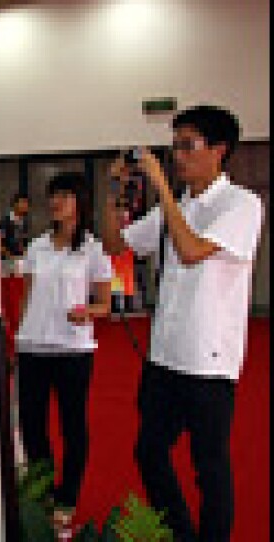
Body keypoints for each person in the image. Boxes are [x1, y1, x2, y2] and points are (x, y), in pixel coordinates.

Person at [102, 105, 264, 542]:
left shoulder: (241, 204)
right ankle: (179, 533)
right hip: (164, 355)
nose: (177, 156)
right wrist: (117, 190)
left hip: (208, 359)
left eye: (187, 145)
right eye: (174, 147)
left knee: (208, 466)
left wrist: (162, 191)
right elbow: (116, 245)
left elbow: (191, 251)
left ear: (218, 150)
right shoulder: (180, 205)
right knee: (149, 451)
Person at [15, 172, 112, 535]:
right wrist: (17, 339)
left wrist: (87, 311)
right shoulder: (36, 247)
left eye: (65, 196)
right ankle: (41, 494)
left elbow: (104, 304)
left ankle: (66, 499)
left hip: (73, 349)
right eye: (53, 195)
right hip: (32, 347)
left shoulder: (93, 249)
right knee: (32, 427)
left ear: (80, 203)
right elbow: (26, 297)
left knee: (73, 427)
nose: (56, 202)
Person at [0, 193, 30, 274]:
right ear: (15, 204)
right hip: (6, 262)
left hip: (19, 262)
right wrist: (11, 257)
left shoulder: (24, 223)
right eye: (23, 203)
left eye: (26, 203)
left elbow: (23, 242)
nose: (25, 206)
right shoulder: (4, 222)